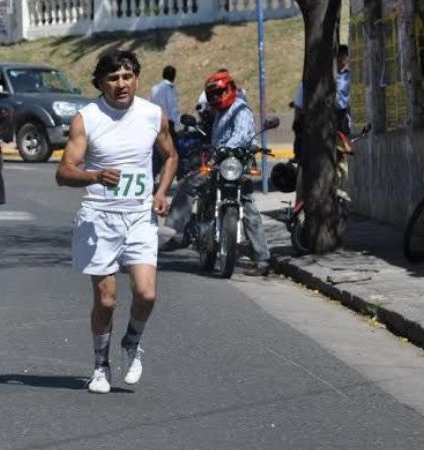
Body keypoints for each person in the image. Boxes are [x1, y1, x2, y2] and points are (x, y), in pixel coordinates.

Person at [56, 49, 178, 394]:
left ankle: (131, 342)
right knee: (106, 300)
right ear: (101, 83)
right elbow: (64, 172)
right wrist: (95, 176)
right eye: (113, 78)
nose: (121, 84)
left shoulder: (154, 115)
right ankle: (100, 366)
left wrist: (161, 191)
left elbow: (170, 157)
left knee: (147, 292)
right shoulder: (87, 117)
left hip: (140, 215)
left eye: (127, 76)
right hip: (99, 217)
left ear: (136, 78)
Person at [160, 71, 271, 277]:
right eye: (211, 95)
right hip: (217, 163)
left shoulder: (240, 110)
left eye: (219, 93)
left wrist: (223, 151)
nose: (215, 98)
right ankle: (179, 232)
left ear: (230, 90)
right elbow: (213, 139)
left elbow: (240, 136)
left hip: (236, 164)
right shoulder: (220, 113)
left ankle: (262, 259)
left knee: (248, 207)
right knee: (190, 184)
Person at [335, 44, 351, 135]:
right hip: (333, 111)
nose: (341, 61)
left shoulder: (349, 75)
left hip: (344, 111)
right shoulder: (332, 75)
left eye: (344, 57)